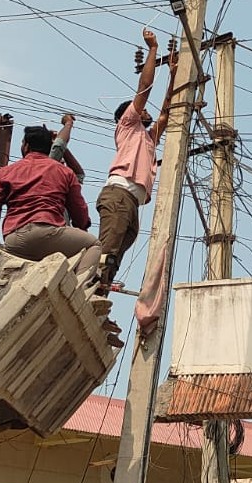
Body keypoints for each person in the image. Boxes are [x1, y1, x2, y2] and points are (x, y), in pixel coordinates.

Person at [94, 28, 179, 294]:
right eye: (143, 109)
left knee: (115, 252)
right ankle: (93, 287)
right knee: (107, 250)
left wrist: (175, 74)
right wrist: (153, 49)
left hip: (131, 200)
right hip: (119, 193)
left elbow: (166, 113)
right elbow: (144, 88)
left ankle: (101, 288)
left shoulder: (148, 138)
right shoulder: (128, 125)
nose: (148, 112)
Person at [0, 124, 100, 272]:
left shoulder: (7, 171)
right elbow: (79, 210)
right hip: (50, 235)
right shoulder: (65, 172)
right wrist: (81, 230)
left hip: (15, 240)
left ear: (26, 146)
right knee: (93, 245)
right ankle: (79, 292)